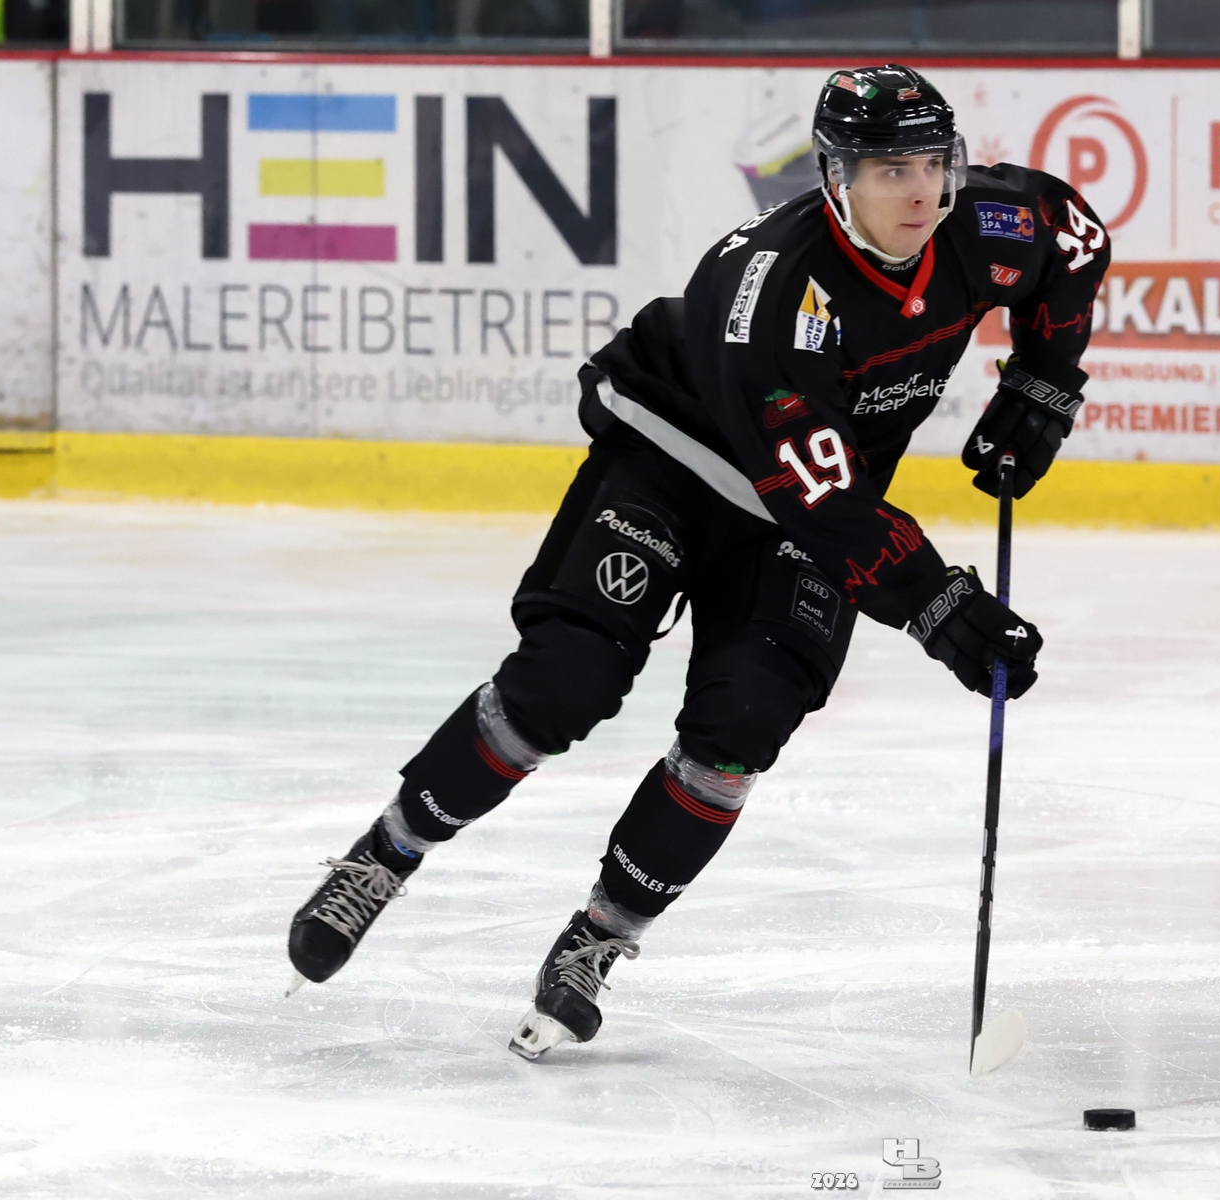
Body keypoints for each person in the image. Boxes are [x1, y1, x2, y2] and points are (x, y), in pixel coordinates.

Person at [285, 63, 1110, 1060]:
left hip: (807, 507)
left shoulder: (983, 228)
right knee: (565, 681)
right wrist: (939, 605)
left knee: (741, 728)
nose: (922, 192)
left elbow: (1074, 235)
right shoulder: (772, 292)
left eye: (935, 164)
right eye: (891, 170)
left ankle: (597, 937)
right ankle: (388, 852)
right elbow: (822, 496)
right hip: (676, 462)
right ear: (836, 177)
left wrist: (1044, 380)